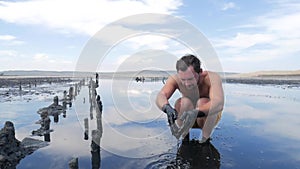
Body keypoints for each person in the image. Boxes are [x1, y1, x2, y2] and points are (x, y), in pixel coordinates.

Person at [156, 54, 224, 143]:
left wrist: (196, 112)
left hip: (204, 118)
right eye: (183, 80)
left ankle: (205, 140)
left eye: (191, 78)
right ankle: (185, 137)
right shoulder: (175, 79)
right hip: (185, 117)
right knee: (184, 102)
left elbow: (218, 102)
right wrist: (166, 108)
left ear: (200, 72)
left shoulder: (211, 78)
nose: (187, 84)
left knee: (202, 102)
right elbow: (161, 96)